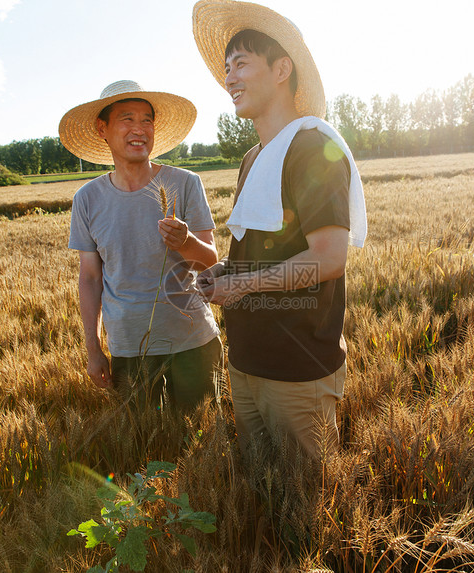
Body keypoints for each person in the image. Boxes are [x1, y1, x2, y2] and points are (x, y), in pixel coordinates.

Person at [192, 1, 367, 458]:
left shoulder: (312, 148)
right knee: (261, 494)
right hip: (247, 362)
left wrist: (243, 285)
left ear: (282, 68)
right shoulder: (254, 157)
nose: (229, 78)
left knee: (301, 508)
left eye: (241, 64)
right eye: (227, 67)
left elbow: (329, 258)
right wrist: (224, 272)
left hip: (297, 369)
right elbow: (260, 252)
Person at [60, 80, 222, 411]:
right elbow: (90, 278)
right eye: (127, 118)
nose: (140, 129)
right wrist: (93, 349)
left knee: (201, 447)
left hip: (193, 342)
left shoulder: (186, 183)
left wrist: (186, 241)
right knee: (141, 449)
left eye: (147, 119)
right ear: (102, 128)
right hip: (128, 348)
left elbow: (210, 260)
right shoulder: (87, 200)